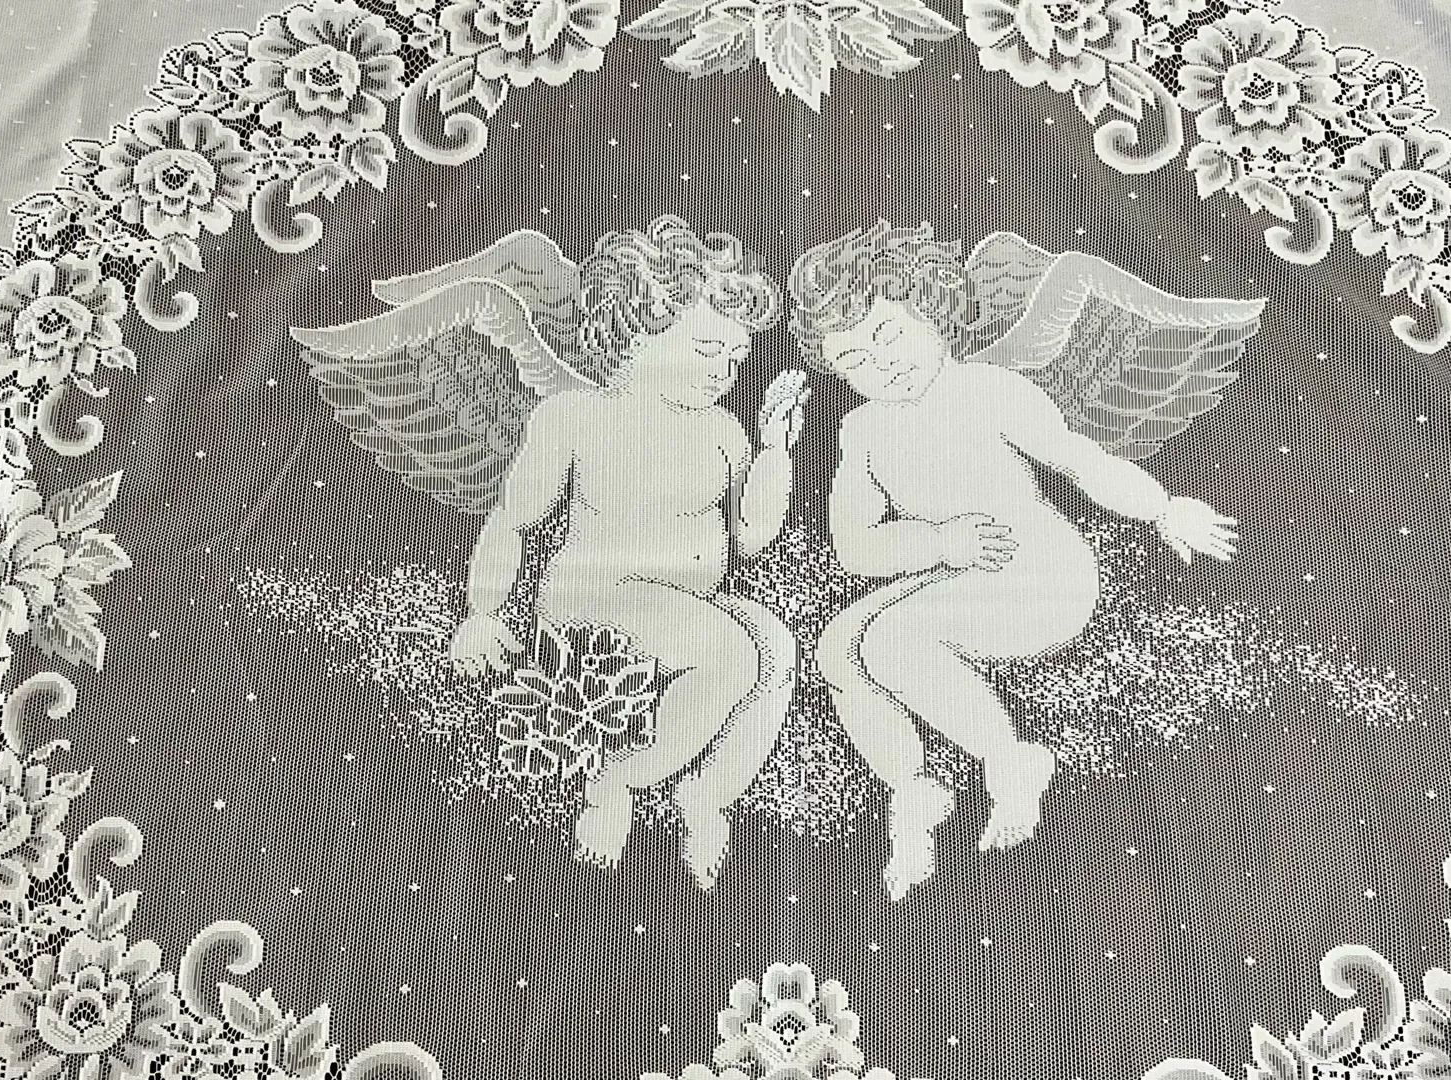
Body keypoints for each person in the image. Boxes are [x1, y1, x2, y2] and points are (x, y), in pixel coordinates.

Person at [787, 221, 1239, 900]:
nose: (881, 366)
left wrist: (1162, 509)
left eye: (889, 336)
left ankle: (1009, 758)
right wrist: (940, 543)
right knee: (837, 648)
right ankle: (912, 789)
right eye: (854, 359)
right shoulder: (865, 430)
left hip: (1041, 573)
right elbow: (855, 545)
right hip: (955, 569)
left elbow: (1079, 461)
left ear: (931, 309)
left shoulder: (989, 390)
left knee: (889, 639)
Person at [443, 217, 809, 890]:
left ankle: (709, 792)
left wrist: (776, 453)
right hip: (596, 598)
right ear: (637, 328)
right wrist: (484, 611)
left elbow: (750, 537)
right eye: (706, 349)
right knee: (731, 653)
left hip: (689, 606)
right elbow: (513, 520)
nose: (722, 372)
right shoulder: (578, 415)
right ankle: (619, 780)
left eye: (734, 360)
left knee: (776, 649)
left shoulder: (725, 431)